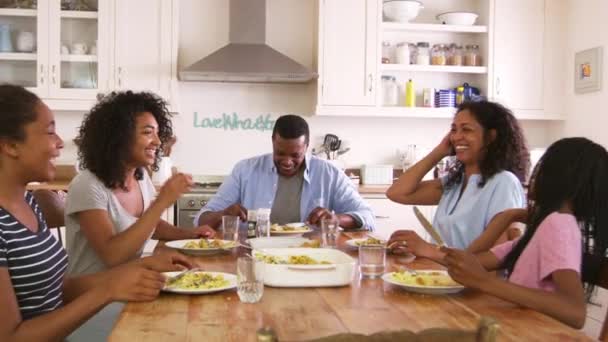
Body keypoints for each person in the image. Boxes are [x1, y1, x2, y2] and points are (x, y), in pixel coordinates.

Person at [0, 84, 190, 341]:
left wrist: (141, 266)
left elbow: (61, 289)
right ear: (11, 145)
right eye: (50, 132)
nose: (59, 143)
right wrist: (108, 289)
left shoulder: (27, 206)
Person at [442, 137, 608, 329]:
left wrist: (485, 282)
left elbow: (575, 313)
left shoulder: (559, 224)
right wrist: (507, 217)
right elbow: (469, 262)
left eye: (543, 167)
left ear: (558, 176)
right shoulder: (544, 228)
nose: (534, 176)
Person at [65, 91, 215, 276]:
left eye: (158, 133)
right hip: (92, 297)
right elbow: (112, 255)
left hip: (126, 285)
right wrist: (162, 202)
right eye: (148, 132)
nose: (158, 142)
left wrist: (189, 234)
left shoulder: (140, 177)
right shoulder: (87, 185)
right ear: (119, 136)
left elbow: (149, 225)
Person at [387, 101, 529, 259]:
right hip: (441, 278)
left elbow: (497, 258)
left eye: (466, 130)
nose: (456, 137)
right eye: (453, 130)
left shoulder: (504, 183)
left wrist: (428, 250)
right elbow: (396, 193)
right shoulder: (455, 183)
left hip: (470, 283)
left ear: (490, 137)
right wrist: (439, 151)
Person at [195, 114, 375, 230]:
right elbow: (201, 220)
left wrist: (336, 219)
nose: (287, 161)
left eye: (295, 155)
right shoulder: (245, 170)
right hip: (254, 254)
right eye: (280, 153)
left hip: (311, 255)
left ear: (306, 146)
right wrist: (223, 214)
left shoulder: (328, 173)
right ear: (273, 141)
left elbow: (367, 216)